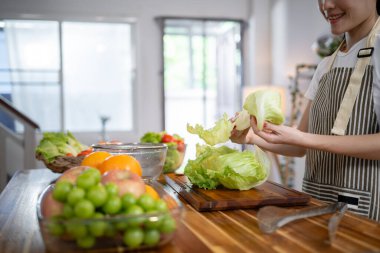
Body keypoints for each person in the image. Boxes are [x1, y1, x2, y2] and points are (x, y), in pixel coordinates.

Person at [231, 0, 380, 222]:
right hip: (317, 204)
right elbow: (299, 145)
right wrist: (251, 136)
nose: (326, 5)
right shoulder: (327, 64)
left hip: (363, 214)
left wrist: (305, 139)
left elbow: (305, 139)